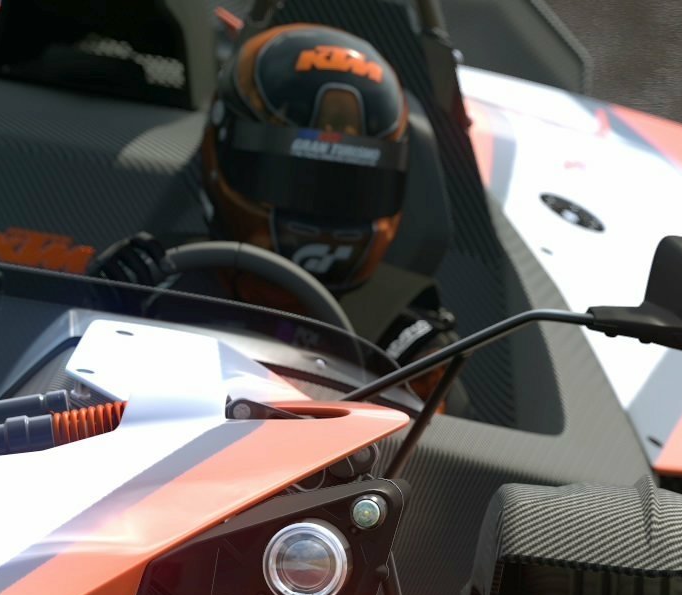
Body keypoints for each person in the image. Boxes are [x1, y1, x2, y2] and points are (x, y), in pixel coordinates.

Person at [90, 22, 458, 368]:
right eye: (298, 180)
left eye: (346, 189)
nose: (321, 204)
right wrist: (96, 309)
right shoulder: (146, 287)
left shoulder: (408, 346)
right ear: (224, 153)